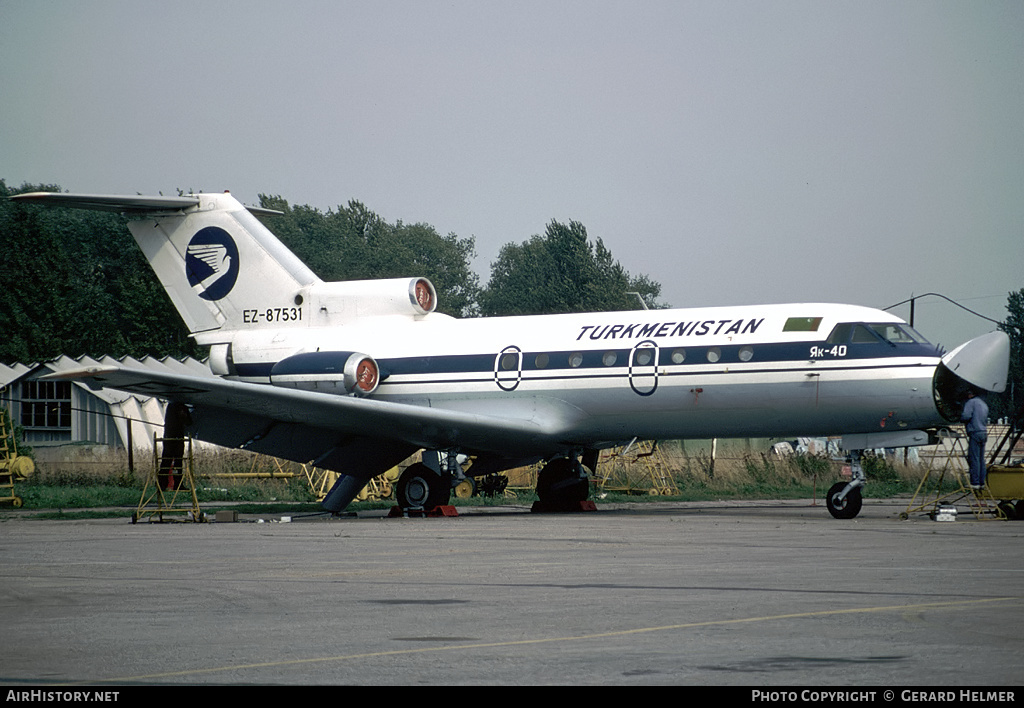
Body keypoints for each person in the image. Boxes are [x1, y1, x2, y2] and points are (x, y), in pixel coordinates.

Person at [961, 388, 989, 490]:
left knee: (974, 458)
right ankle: (982, 482)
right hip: (983, 432)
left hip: (975, 432)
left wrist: (960, 417)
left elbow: (966, 416)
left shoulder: (971, 402)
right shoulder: (983, 404)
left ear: (971, 394)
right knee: (981, 459)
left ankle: (975, 482)